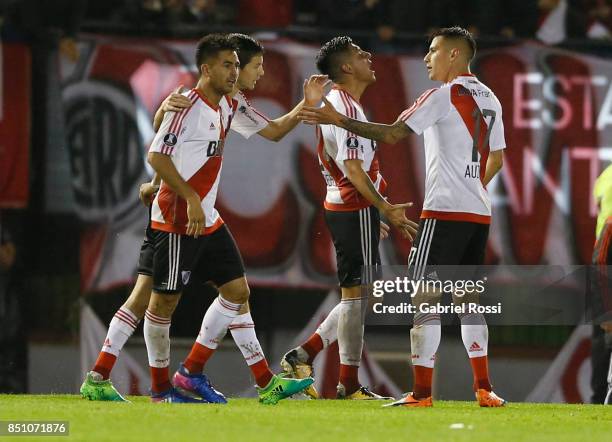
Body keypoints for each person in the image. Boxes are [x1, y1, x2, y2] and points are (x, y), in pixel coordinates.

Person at [80, 33, 327, 403]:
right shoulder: (186, 105)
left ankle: (197, 374)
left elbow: (273, 131)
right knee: (159, 303)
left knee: (237, 291)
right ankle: (160, 388)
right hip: (178, 220)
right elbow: (158, 154)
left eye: (239, 65)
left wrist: (304, 106)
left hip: (206, 218)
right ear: (208, 68)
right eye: (235, 65)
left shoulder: (230, 104)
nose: (242, 72)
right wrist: (184, 194)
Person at [298, 26, 506, 408]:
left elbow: (393, 135)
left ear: (454, 56)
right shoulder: (491, 98)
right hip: (478, 212)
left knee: (423, 298)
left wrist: (339, 120)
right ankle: (484, 387)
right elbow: (497, 158)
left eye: (433, 51)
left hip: (443, 210)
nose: (427, 58)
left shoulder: (442, 95)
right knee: (469, 299)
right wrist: (474, 185)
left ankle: (422, 393)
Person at [278, 36, 417, 400]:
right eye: (359, 54)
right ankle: (336, 375)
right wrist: (383, 207)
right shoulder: (346, 109)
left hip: (350, 207)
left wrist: (373, 212)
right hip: (352, 205)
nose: (368, 56)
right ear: (345, 68)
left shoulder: (343, 105)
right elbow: (354, 170)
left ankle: (326, 367)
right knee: (358, 296)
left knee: (362, 295)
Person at [590, 163, 612, 404]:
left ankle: (598, 397)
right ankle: (601, 397)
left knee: (602, 336)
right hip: (605, 257)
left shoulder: (605, 175)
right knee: (606, 331)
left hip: (602, 253)